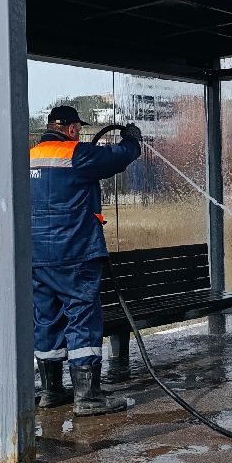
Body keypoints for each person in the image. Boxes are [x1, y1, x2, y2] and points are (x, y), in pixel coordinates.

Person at [30, 105, 142, 416]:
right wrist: (133, 140)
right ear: (69, 129)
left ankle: (52, 391)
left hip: (36, 257)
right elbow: (117, 157)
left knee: (47, 319)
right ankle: (88, 395)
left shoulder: (27, 157)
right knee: (82, 317)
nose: (79, 133)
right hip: (74, 253)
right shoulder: (75, 154)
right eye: (77, 128)